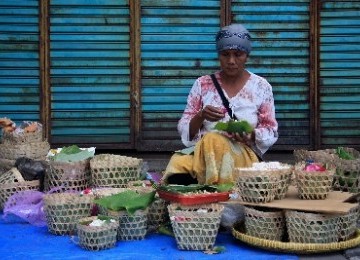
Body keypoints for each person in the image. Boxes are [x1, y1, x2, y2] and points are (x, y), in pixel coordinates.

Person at [161, 24, 279, 185]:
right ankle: (202, 190)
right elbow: (185, 127)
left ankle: (215, 192)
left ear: (247, 56)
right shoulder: (202, 84)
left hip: (243, 156)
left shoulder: (261, 86)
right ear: (219, 55)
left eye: (238, 55)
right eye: (225, 54)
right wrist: (201, 115)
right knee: (177, 163)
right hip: (204, 153)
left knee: (214, 139)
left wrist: (251, 134)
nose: (231, 61)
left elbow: (270, 130)